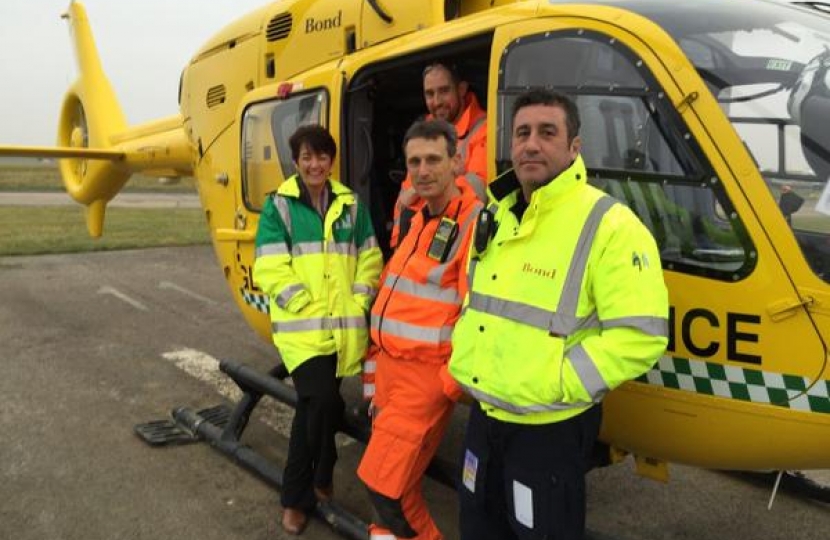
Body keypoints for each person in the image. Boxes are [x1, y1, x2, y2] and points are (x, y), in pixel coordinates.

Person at [448, 89, 669, 540]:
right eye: (523, 132)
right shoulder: (496, 215)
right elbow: (481, 306)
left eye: (548, 133)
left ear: (574, 147)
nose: (532, 144)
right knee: (477, 527)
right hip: (485, 416)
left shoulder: (610, 225)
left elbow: (641, 335)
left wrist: (560, 383)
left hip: (547, 430)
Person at [253, 124, 382, 535]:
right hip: (301, 329)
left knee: (317, 406)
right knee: (323, 400)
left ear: (331, 160)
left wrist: (360, 298)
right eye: (306, 157)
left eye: (322, 156)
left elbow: (370, 256)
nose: (315, 164)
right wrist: (300, 300)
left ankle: (321, 475)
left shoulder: (351, 205)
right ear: (296, 162)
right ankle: (299, 495)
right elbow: (270, 264)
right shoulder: (280, 206)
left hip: (341, 327)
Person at [357, 119, 483, 540]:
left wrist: (446, 384)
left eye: (433, 159)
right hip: (391, 375)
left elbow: (478, 313)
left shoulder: (473, 224)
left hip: (422, 381)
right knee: (398, 485)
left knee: (384, 488)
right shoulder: (416, 218)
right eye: (415, 162)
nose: (423, 170)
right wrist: (375, 377)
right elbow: (396, 301)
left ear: (457, 161)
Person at [389, 62, 488, 249]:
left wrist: (418, 191)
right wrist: (399, 245)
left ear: (461, 89)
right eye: (429, 94)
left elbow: (477, 190)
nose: (436, 101)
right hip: (410, 244)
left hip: (451, 244)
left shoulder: (483, 129)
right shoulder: (421, 132)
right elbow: (403, 201)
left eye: (444, 91)